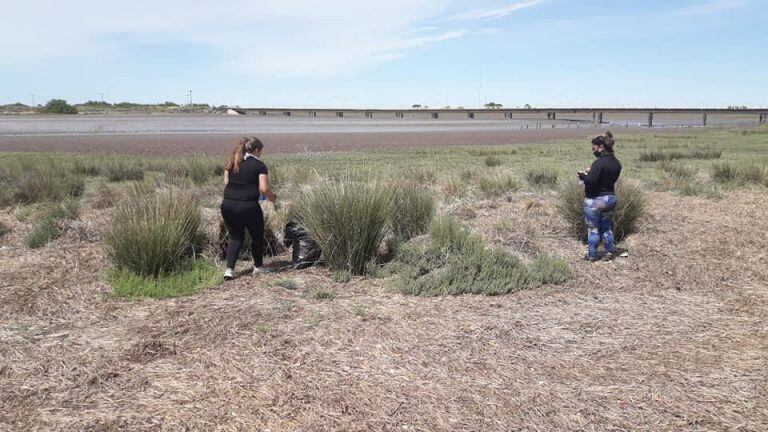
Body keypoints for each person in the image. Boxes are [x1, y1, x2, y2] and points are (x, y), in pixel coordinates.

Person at [221, 137, 276, 280]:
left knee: (235, 237)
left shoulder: (234, 161)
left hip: (228, 205)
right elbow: (264, 188)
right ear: (257, 150)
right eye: (261, 151)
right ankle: (258, 267)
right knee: (257, 235)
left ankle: (229, 270)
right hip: (248, 206)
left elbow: (227, 182)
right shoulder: (259, 165)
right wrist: (272, 197)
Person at [578, 134, 622, 261]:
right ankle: (609, 252)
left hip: (595, 201)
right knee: (607, 228)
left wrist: (583, 176)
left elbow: (592, 181)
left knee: (593, 229)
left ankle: (592, 255)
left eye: (594, 148)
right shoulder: (617, 163)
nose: (594, 151)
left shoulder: (598, 163)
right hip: (610, 199)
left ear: (601, 147)